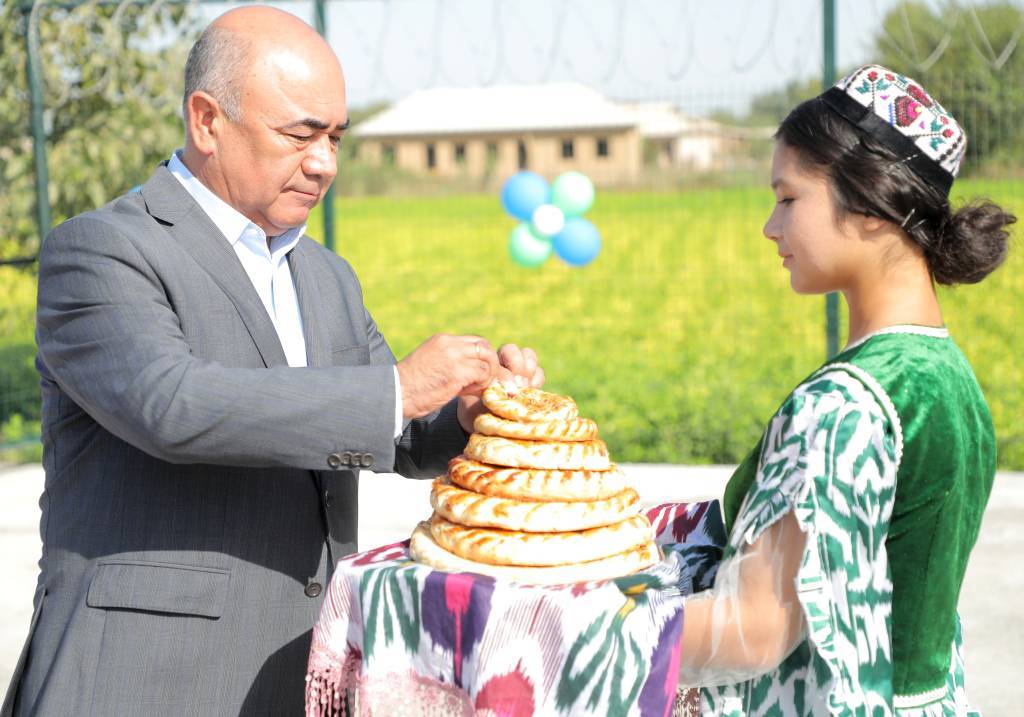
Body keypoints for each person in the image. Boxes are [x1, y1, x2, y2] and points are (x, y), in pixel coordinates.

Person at [2, 7, 544, 716]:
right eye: (299, 135)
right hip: (143, 679)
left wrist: (468, 416)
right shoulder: (104, 250)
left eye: (336, 137)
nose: (324, 163)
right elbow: (172, 405)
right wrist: (399, 388)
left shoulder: (325, 275)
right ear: (207, 121)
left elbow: (395, 429)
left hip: (300, 673)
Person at [674, 65, 1014, 715]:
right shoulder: (949, 378)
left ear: (871, 202)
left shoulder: (843, 404)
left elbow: (754, 630)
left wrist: (576, 625)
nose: (770, 226)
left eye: (788, 198)